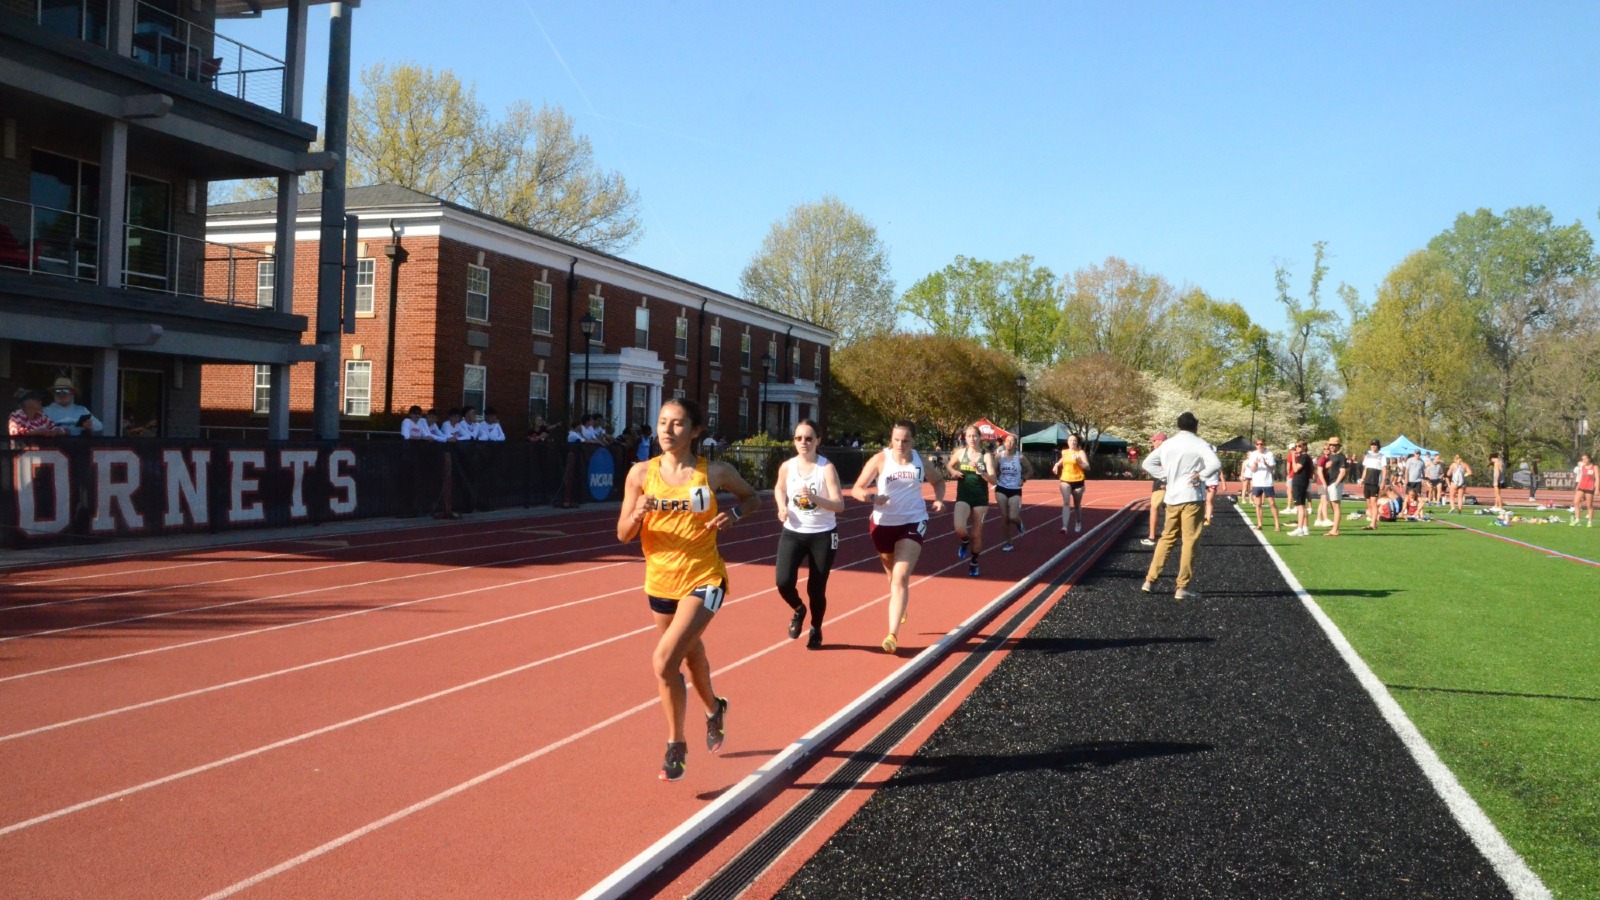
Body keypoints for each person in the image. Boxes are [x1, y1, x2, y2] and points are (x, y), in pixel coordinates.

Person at [616, 398, 758, 782]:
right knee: (691, 659)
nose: (666, 430)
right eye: (662, 422)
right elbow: (623, 534)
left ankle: (675, 744)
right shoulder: (640, 474)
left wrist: (734, 515)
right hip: (660, 582)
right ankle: (714, 709)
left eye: (677, 424)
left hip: (704, 577)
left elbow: (752, 497)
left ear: (695, 431)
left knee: (664, 662)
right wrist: (637, 513)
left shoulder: (714, 473)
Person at [851, 419, 947, 654]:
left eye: (905, 440)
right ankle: (900, 603)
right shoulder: (881, 459)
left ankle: (892, 635)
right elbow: (856, 489)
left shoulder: (919, 460)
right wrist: (873, 498)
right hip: (883, 524)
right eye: (896, 440)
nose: (900, 444)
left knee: (900, 578)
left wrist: (939, 499)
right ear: (891, 440)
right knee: (891, 577)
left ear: (913, 441)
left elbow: (939, 480)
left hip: (913, 520)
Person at [773, 419, 845, 649]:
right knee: (783, 581)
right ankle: (798, 609)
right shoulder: (787, 466)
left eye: (808, 438)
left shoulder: (826, 468)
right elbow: (780, 487)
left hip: (822, 534)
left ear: (818, 441)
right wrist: (781, 506)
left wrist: (815, 498)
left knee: (816, 588)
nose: (803, 442)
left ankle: (816, 628)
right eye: (798, 438)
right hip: (793, 531)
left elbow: (839, 504)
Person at [1141, 412, 1221, 601]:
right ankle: (1182, 586)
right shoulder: (1199, 443)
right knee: (1190, 541)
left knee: (1167, 538)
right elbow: (1215, 463)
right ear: (1196, 425)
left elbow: (1147, 463)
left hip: (1172, 496)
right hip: (1192, 497)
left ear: (1178, 426)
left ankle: (1150, 580)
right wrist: (1201, 476)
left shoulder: (1168, 444)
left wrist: (1166, 475)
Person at [947, 425, 997, 576]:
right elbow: (949, 464)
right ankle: (964, 540)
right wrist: (953, 471)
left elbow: (994, 480)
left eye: (975, 436)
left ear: (980, 437)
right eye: (969, 436)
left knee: (976, 534)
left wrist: (980, 471)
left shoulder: (986, 456)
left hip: (980, 498)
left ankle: (974, 562)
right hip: (963, 495)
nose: (972, 439)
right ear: (965, 438)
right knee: (959, 527)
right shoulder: (961, 453)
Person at [994, 433, 1033, 552]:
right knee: (1005, 517)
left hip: (1015, 489)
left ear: (1016, 444)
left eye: (1011, 442)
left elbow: (1030, 471)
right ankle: (1008, 543)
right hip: (1001, 488)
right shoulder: (999, 456)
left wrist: (1023, 479)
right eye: (1007, 441)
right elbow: (994, 471)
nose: (1008, 443)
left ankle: (1019, 522)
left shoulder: (1020, 457)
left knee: (1013, 516)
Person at [1051, 433, 1089, 534]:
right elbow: (1063, 459)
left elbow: (1087, 467)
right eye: (1070, 440)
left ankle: (1078, 521)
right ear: (1067, 442)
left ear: (1077, 442)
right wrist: (1056, 465)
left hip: (1078, 481)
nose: (1072, 442)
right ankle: (1064, 527)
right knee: (1066, 502)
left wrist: (1079, 462)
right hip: (1065, 479)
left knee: (1077, 505)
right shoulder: (1065, 452)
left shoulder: (1080, 453)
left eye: (1074, 440)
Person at [1243, 438, 1280, 531]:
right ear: (1255, 445)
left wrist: (1265, 463)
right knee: (1258, 504)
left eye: (1261, 444)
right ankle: (1259, 524)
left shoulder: (1269, 454)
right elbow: (1252, 470)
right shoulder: (1253, 454)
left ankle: (1277, 525)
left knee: (1272, 503)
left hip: (1267, 482)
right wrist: (1255, 463)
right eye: (1257, 444)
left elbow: (1272, 468)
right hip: (1257, 482)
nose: (1259, 446)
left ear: (1264, 444)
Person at [1140, 432, 1168, 547]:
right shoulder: (1170, 452)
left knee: (1154, 508)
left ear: (1160, 441)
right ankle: (1167, 536)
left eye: (1154, 440)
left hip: (1161, 484)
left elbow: (1147, 465)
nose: (1153, 443)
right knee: (1169, 509)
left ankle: (1152, 537)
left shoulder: (1160, 452)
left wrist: (1165, 479)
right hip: (1165, 483)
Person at [1320, 437, 1347, 536]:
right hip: (1329, 483)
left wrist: (1336, 484)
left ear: (1338, 446)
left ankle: (1335, 530)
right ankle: (1334, 528)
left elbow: (1343, 472)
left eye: (1333, 445)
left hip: (1335, 484)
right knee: (1332, 506)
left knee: (1336, 506)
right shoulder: (1330, 456)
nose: (1331, 446)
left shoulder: (1341, 457)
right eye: (1330, 445)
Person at [1286, 440, 1313, 536]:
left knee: (1299, 506)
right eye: (1296, 446)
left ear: (1304, 447)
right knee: (1302, 505)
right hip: (1301, 482)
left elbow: (1296, 469)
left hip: (1299, 483)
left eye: (1299, 446)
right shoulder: (1304, 457)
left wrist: (1293, 457)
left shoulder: (1304, 457)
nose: (1297, 448)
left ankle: (1299, 528)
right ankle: (1305, 527)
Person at [1359, 439, 1386, 530]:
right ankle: (1373, 521)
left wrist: (1383, 481)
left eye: (1375, 445)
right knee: (1369, 504)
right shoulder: (1368, 456)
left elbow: (1384, 469)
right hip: (1367, 481)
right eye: (1372, 445)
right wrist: (1362, 479)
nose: (1373, 446)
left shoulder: (1382, 456)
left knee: (1374, 502)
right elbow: (1365, 469)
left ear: (1378, 446)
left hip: (1375, 481)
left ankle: (1373, 524)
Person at [1572, 454, 1596, 527]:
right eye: (1583, 459)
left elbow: (1597, 479)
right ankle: (1577, 519)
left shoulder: (1594, 467)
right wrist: (1577, 486)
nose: (1584, 461)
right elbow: (1581, 477)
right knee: (1576, 502)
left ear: (1589, 459)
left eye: (1585, 459)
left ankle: (1589, 522)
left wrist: (1597, 489)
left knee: (1589, 505)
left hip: (1589, 487)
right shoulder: (1582, 467)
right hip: (1581, 486)